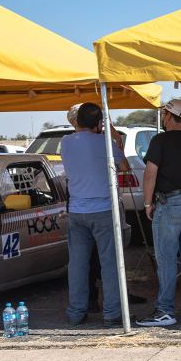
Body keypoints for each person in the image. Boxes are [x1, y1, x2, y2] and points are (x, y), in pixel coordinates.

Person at [138, 99, 181, 327]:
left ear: (168, 116)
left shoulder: (160, 140)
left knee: (166, 257)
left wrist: (147, 203)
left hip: (169, 202)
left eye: (164, 114)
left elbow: (150, 173)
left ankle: (165, 310)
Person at [60, 103, 129, 328]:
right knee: (109, 264)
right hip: (103, 210)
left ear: (77, 121)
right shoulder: (105, 143)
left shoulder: (66, 142)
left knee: (77, 265)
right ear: (99, 123)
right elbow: (124, 166)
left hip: (76, 210)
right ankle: (112, 313)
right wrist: (112, 134)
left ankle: (76, 312)